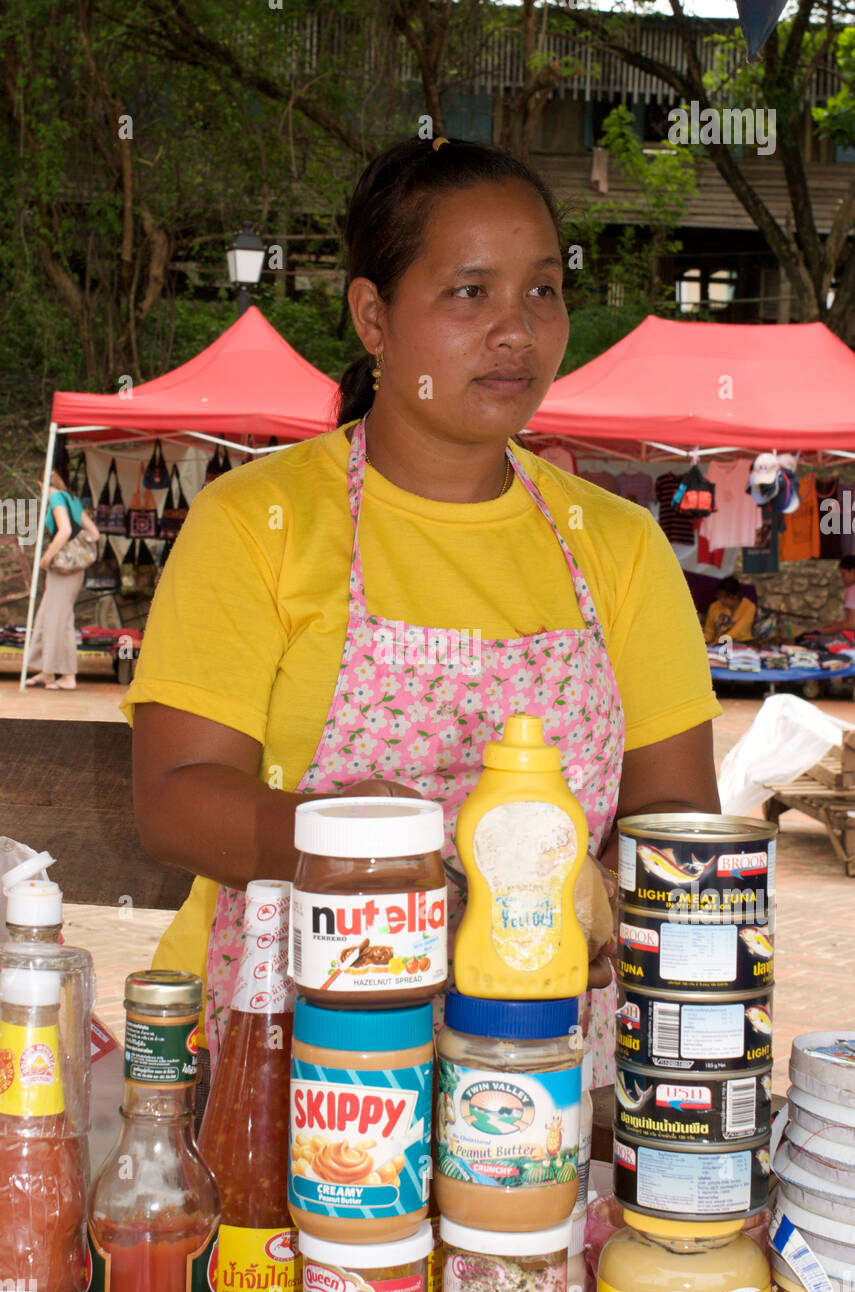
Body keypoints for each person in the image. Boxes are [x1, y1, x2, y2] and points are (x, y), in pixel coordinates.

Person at [121, 136, 721, 1099]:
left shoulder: (618, 545)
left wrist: (599, 909)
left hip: (546, 1063)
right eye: (469, 292)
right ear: (373, 315)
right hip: (289, 1049)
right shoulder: (259, 522)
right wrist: (389, 878)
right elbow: (179, 798)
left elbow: (674, 816)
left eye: (541, 290)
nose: (517, 331)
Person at [25, 469, 100, 691]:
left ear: (41, 484)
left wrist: (47, 558)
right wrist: (77, 550)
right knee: (49, 616)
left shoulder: (56, 497)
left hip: (62, 570)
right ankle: (47, 671)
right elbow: (94, 534)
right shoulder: (72, 498)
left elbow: (64, 530)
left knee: (59, 620)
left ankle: (67, 675)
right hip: (74, 570)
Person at [703, 575, 757, 645]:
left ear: (735, 595)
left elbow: (740, 629)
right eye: (719, 596)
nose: (721, 600)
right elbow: (709, 632)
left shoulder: (749, 606)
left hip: (742, 643)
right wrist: (703, 642)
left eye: (725, 597)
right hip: (719, 645)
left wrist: (722, 639)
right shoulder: (714, 607)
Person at [818, 558, 855, 636]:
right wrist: (836, 624)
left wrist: (822, 632)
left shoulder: (852, 589)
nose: (842, 578)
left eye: (843, 574)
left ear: (853, 571)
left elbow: (852, 624)